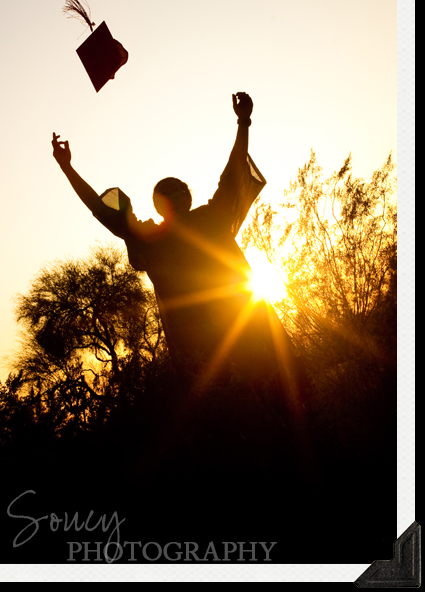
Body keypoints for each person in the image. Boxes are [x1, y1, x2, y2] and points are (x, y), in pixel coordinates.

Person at [52, 93, 305, 412]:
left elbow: (99, 208)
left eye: (174, 191)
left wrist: (66, 167)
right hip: (228, 345)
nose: (174, 195)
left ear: (173, 201)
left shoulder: (180, 230)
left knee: (265, 409)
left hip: (225, 348)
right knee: (269, 407)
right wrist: (243, 121)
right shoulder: (184, 228)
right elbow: (234, 169)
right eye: (170, 192)